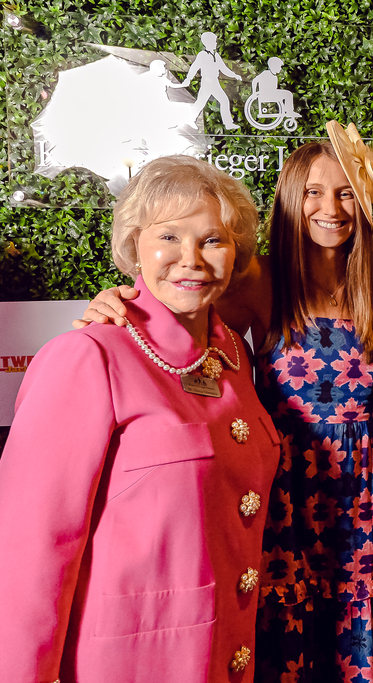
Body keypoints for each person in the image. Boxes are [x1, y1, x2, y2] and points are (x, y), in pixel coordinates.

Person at [73, 121, 373, 683]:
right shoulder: (258, 282)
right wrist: (119, 299)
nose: (331, 208)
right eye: (314, 192)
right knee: (281, 631)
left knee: (351, 631)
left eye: (345, 192)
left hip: (360, 494)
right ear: (291, 199)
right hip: (284, 489)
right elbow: (181, 300)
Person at [0, 155, 280, 682]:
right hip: (128, 665)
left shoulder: (235, 360)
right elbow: (30, 552)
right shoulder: (88, 355)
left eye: (212, 240)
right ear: (135, 246)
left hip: (224, 657)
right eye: (169, 237)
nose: (191, 259)